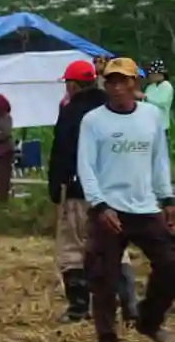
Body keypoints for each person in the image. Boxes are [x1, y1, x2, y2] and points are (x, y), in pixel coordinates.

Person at [76, 57, 175, 342]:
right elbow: (86, 166)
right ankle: (107, 337)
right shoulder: (93, 121)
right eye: (111, 81)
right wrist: (99, 205)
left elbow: (159, 160)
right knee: (104, 276)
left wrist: (167, 198)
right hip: (109, 209)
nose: (117, 87)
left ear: (135, 83)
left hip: (145, 206)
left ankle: (149, 321)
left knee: (170, 263)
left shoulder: (151, 116)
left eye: (123, 81)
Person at [49, 59, 136, 325]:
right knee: (116, 246)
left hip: (79, 191)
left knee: (73, 247)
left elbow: (61, 152)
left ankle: (78, 307)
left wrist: (56, 188)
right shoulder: (112, 108)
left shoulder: (71, 112)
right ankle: (129, 305)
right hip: (113, 191)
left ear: (74, 85)